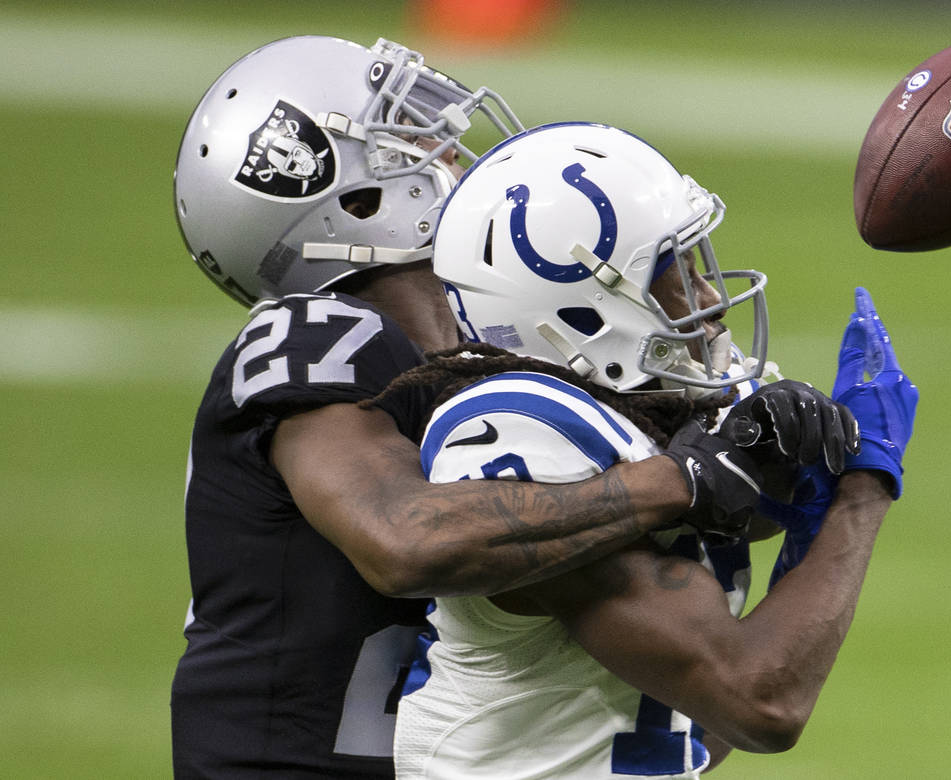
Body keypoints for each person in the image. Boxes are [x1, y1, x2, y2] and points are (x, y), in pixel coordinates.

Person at [170, 38, 853, 778]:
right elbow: (401, 540)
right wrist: (679, 480)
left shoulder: (498, 349)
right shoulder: (315, 334)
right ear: (353, 199)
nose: (452, 150)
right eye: (413, 136)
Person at [385, 122, 917, 778]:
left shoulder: (643, 418)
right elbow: (760, 702)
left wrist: (803, 510)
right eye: (679, 270)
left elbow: (688, 733)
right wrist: (861, 496)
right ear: (587, 309)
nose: (711, 297)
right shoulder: (528, 435)